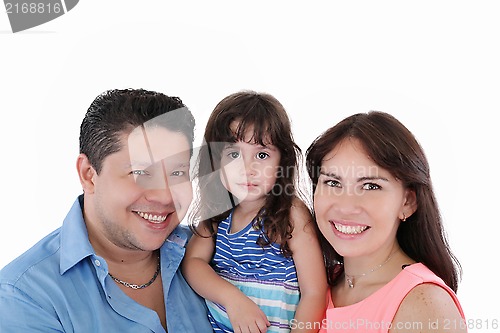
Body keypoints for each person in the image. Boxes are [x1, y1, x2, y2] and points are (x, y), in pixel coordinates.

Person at [0, 89, 213, 332]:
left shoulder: (222, 252)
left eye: (177, 173)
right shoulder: (25, 296)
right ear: (88, 175)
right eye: (140, 173)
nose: (164, 196)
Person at [305, 111, 467, 333]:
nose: (346, 206)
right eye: (333, 182)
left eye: (371, 186)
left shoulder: (424, 305)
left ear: (408, 202)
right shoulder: (310, 285)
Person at [181, 91, 327, 333]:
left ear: (282, 162)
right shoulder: (218, 216)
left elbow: (314, 292)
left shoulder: (290, 214)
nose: (248, 168)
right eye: (233, 154)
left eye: (262, 155)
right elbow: (193, 264)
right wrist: (232, 299)